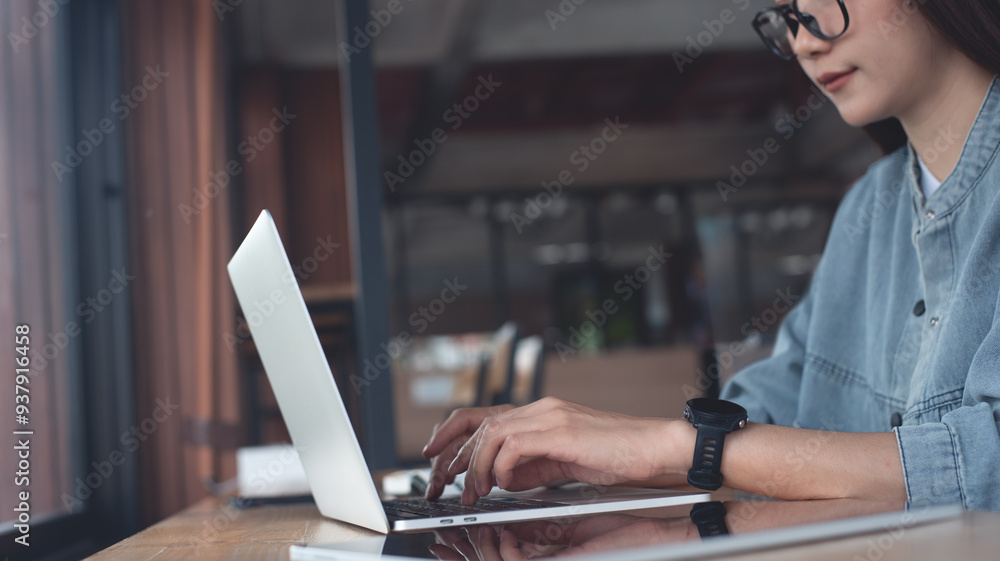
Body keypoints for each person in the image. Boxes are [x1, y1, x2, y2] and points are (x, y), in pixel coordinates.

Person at [421, 0, 1000, 511]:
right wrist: (594, 448)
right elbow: (777, 404)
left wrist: (673, 448)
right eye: (789, 14)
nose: (805, 39)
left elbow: (986, 467)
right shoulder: (868, 206)